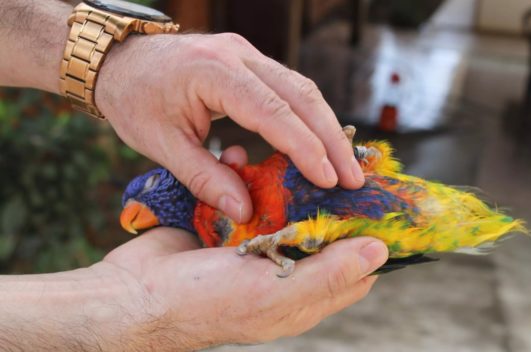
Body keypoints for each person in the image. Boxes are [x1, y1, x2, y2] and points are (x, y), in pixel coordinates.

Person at [0, 1, 388, 350]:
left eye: (148, 189)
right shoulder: (210, 232)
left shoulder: (232, 182)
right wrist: (129, 304)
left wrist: (111, 62)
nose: (135, 216)